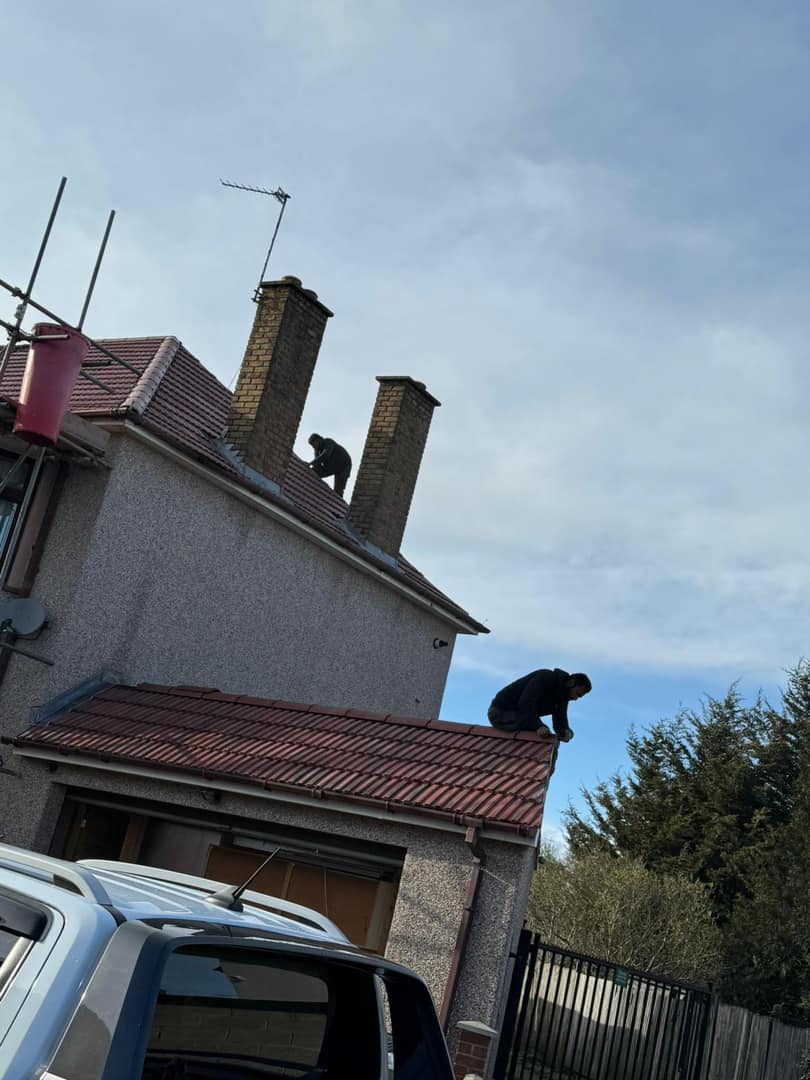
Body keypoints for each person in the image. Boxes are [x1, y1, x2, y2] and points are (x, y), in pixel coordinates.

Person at [487, 668, 591, 741]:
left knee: (547, 738)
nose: (576, 698)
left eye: (579, 697)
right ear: (571, 683)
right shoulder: (545, 677)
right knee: (541, 734)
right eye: (577, 694)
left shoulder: (562, 697)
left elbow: (560, 720)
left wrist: (566, 732)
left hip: (520, 717)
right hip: (499, 712)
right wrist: (538, 726)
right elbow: (526, 703)